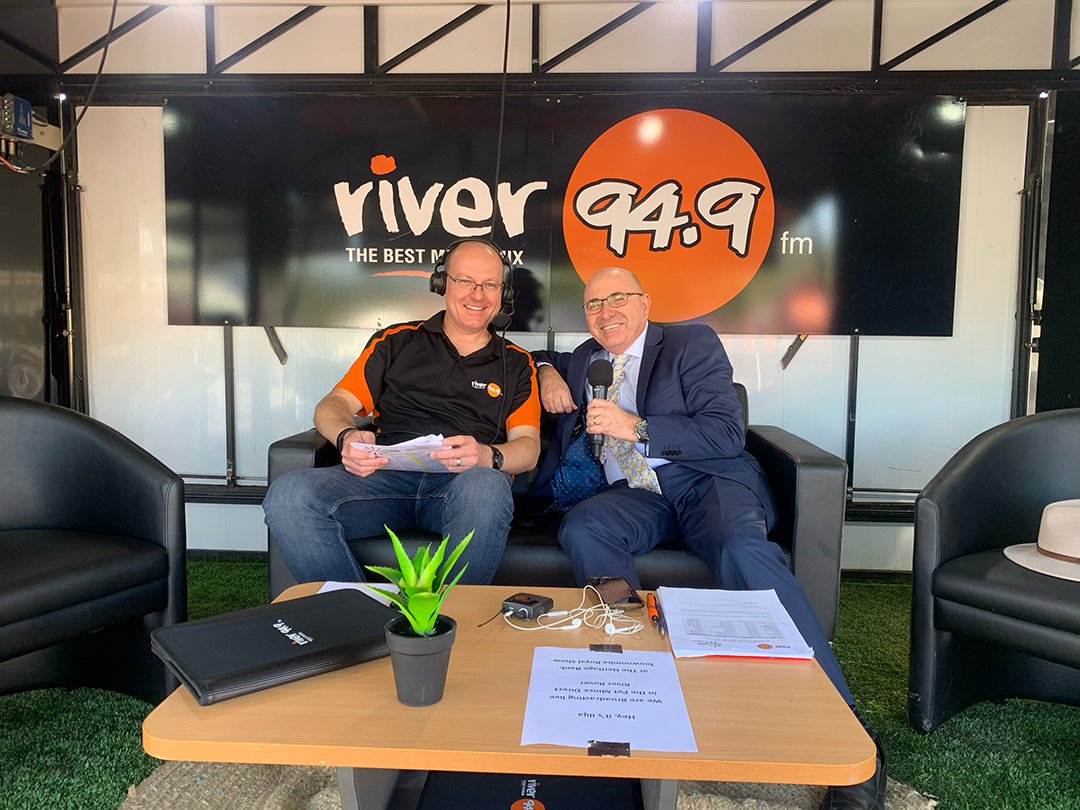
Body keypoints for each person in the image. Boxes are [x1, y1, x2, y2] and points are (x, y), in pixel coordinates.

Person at [530, 267, 885, 810]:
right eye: (593, 304)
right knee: (584, 526)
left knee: (742, 551)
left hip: (705, 481)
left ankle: (852, 741)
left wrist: (637, 426)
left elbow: (724, 431)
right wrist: (548, 372)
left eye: (618, 298)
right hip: (640, 496)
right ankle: (625, 686)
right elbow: (536, 359)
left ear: (646, 302)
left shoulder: (690, 342)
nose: (606, 312)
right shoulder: (583, 359)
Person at [264, 239, 540, 587]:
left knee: (487, 486)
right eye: (465, 281)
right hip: (383, 478)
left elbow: (528, 448)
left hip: (462, 485)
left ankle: (445, 627)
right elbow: (331, 405)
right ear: (442, 284)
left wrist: (488, 456)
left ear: (504, 294)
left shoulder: (517, 363)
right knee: (289, 495)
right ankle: (359, 621)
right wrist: (346, 436)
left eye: (490, 285)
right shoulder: (395, 341)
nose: (477, 294)